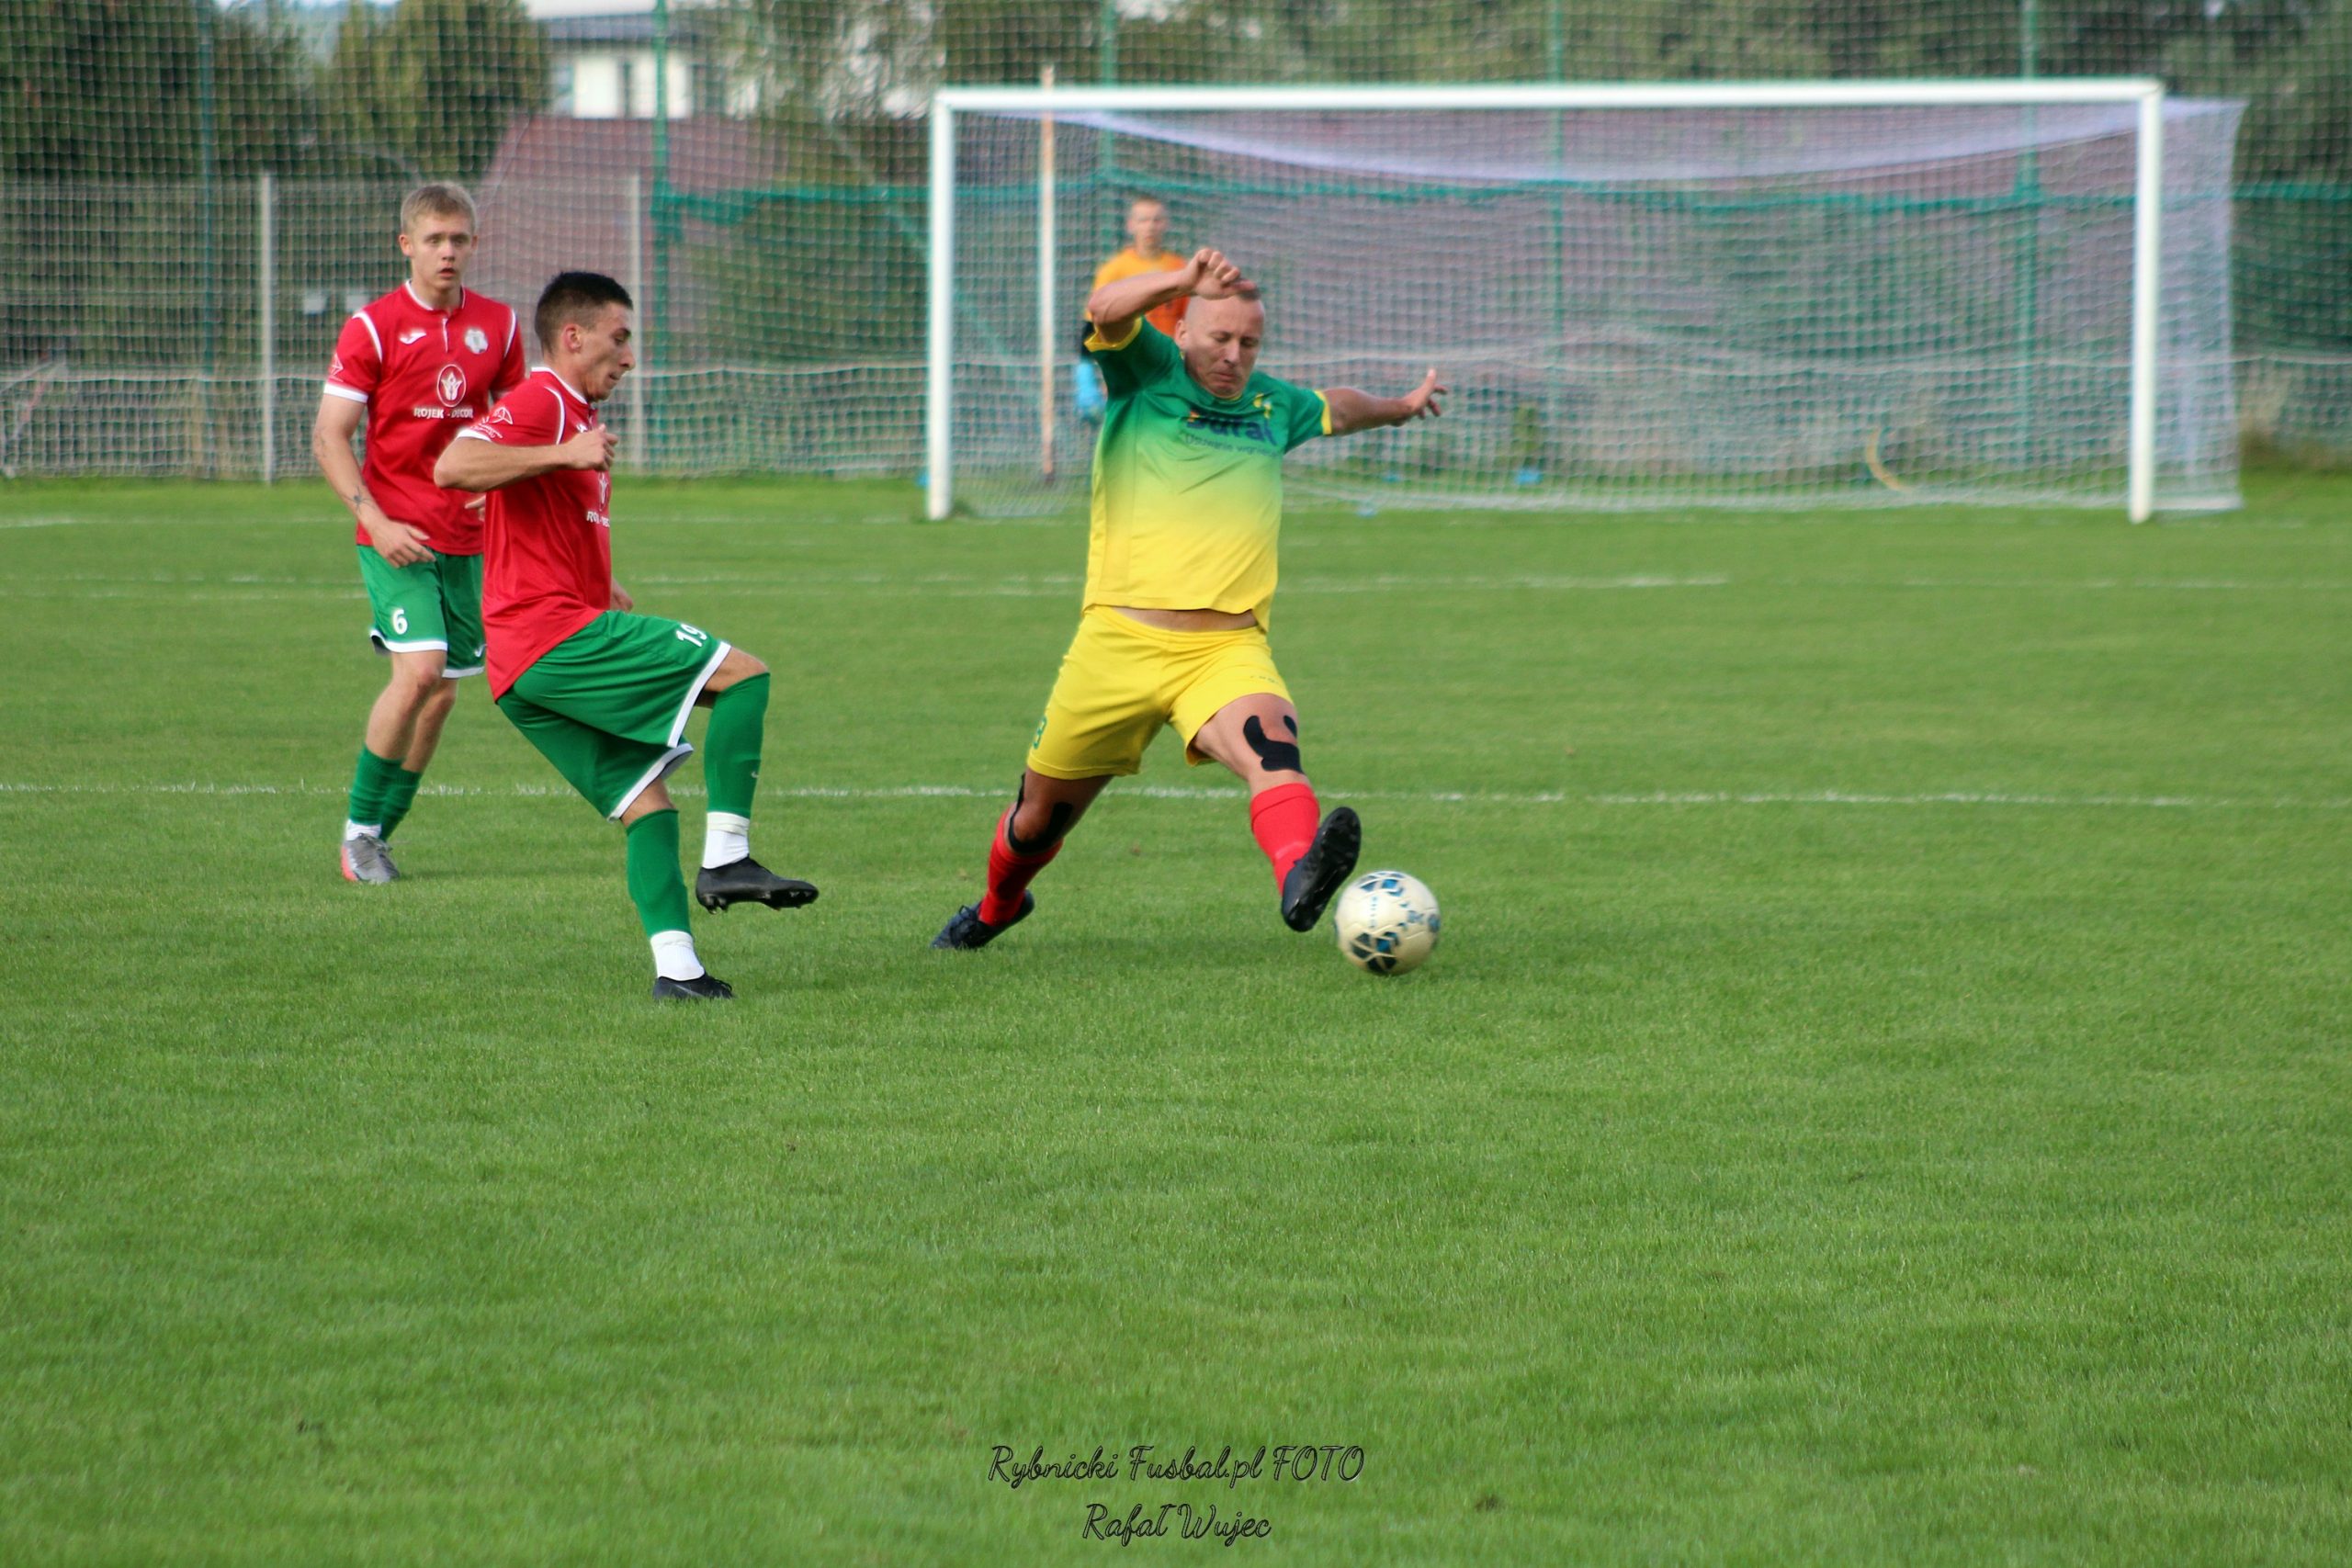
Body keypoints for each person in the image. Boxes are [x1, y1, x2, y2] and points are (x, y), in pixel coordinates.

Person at [933, 248, 1445, 951]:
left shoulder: (1273, 405)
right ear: (1182, 331)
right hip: (1116, 645)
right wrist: (1179, 280)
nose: (1234, 355)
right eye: (1220, 337)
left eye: (1249, 343)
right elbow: (1103, 309)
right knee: (1037, 820)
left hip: (1225, 649)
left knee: (1274, 750)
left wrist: (1400, 408)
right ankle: (996, 908)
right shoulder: (1147, 373)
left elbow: (1337, 407)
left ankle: (1300, 876)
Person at [434, 273, 816, 1000]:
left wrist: (600, 582)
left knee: (647, 804)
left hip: (523, 669)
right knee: (744, 674)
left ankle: (680, 974)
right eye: (620, 338)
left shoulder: (572, 416)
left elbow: (532, 516)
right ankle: (728, 856)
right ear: (572, 336)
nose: (630, 357)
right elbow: (453, 465)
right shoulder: (546, 400)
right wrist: (565, 453)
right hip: (550, 637)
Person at [314, 183, 526, 884]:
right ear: (406, 245)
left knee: (441, 695)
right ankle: (356, 834)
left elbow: (520, 425)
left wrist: (502, 485)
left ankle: (378, 835)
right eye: (434, 239)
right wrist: (375, 521)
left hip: (468, 540)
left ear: (475, 244)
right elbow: (330, 436)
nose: (447, 251)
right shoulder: (372, 327)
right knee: (423, 669)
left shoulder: (499, 325)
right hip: (395, 535)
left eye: (459, 239)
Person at [1076, 197, 1187, 423]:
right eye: (1143, 220)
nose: (1150, 227)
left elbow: (1191, 324)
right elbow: (1093, 326)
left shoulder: (1179, 269)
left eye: (1156, 220)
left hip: (1169, 374)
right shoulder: (1114, 271)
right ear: (1130, 225)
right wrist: (1085, 376)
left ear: (1165, 224)